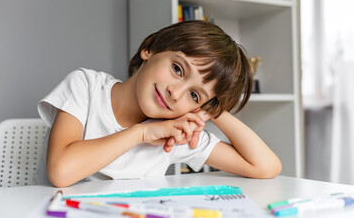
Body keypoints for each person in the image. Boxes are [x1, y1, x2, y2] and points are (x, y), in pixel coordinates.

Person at [34, 20, 282, 188]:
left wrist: (214, 111)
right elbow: (61, 171)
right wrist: (141, 133)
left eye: (194, 95)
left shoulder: (174, 133)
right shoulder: (85, 86)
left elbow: (265, 166)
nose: (176, 93)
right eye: (177, 69)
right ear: (149, 49)